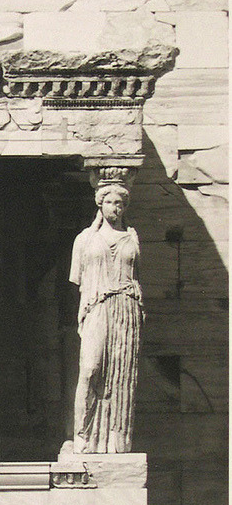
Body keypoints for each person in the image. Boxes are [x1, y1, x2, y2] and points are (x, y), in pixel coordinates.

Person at [70, 182, 143, 453]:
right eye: (112, 202)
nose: (117, 208)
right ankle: (83, 434)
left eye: (121, 204)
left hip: (126, 307)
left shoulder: (132, 238)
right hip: (97, 306)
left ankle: (116, 440)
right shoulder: (85, 239)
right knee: (90, 368)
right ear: (100, 204)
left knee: (121, 375)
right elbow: (77, 281)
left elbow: (138, 276)